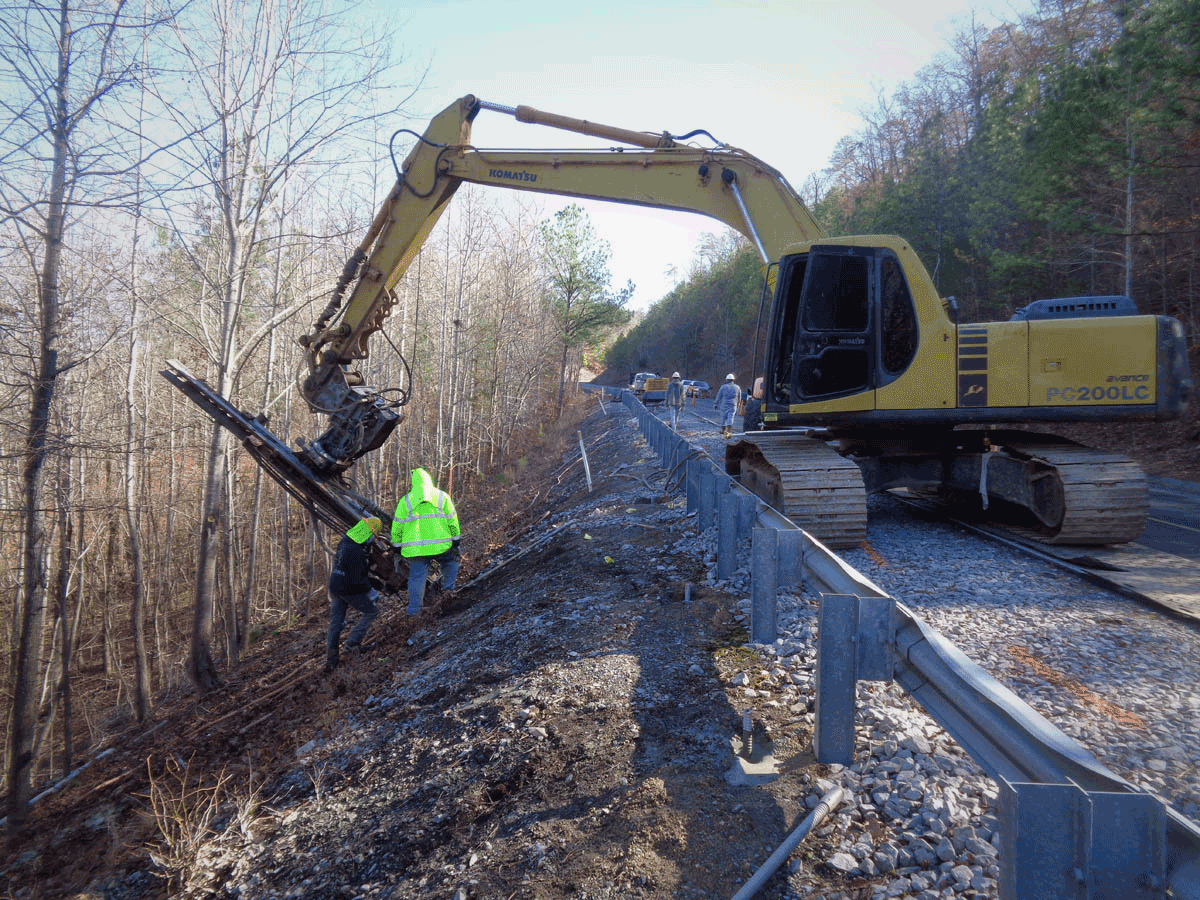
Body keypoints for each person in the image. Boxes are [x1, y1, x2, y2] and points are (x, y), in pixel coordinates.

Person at [392, 467, 462, 616]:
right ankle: (448, 592)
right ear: (429, 480)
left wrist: (397, 546)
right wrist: (456, 540)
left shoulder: (405, 501)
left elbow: (397, 526)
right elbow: (453, 520)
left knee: (417, 577)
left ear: (413, 483)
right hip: (442, 546)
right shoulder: (442, 497)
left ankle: (414, 612)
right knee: (452, 561)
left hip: (416, 550)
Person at [325, 516, 383, 673]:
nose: (372, 540)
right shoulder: (356, 550)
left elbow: (356, 572)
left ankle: (331, 662)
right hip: (348, 589)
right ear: (368, 533)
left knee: (335, 624)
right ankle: (352, 643)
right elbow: (358, 579)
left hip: (335, 586)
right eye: (373, 536)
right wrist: (371, 591)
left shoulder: (345, 542)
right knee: (372, 612)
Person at [714, 373, 741, 439]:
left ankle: (723, 430)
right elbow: (739, 397)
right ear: (733, 380)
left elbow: (719, 396)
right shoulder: (737, 387)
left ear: (727, 380)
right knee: (730, 417)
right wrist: (738, 405)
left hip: (724, 405)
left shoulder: (723, 387)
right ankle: (729, 431)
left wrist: (716, 403)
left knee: (723, 417)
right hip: (733, 404)